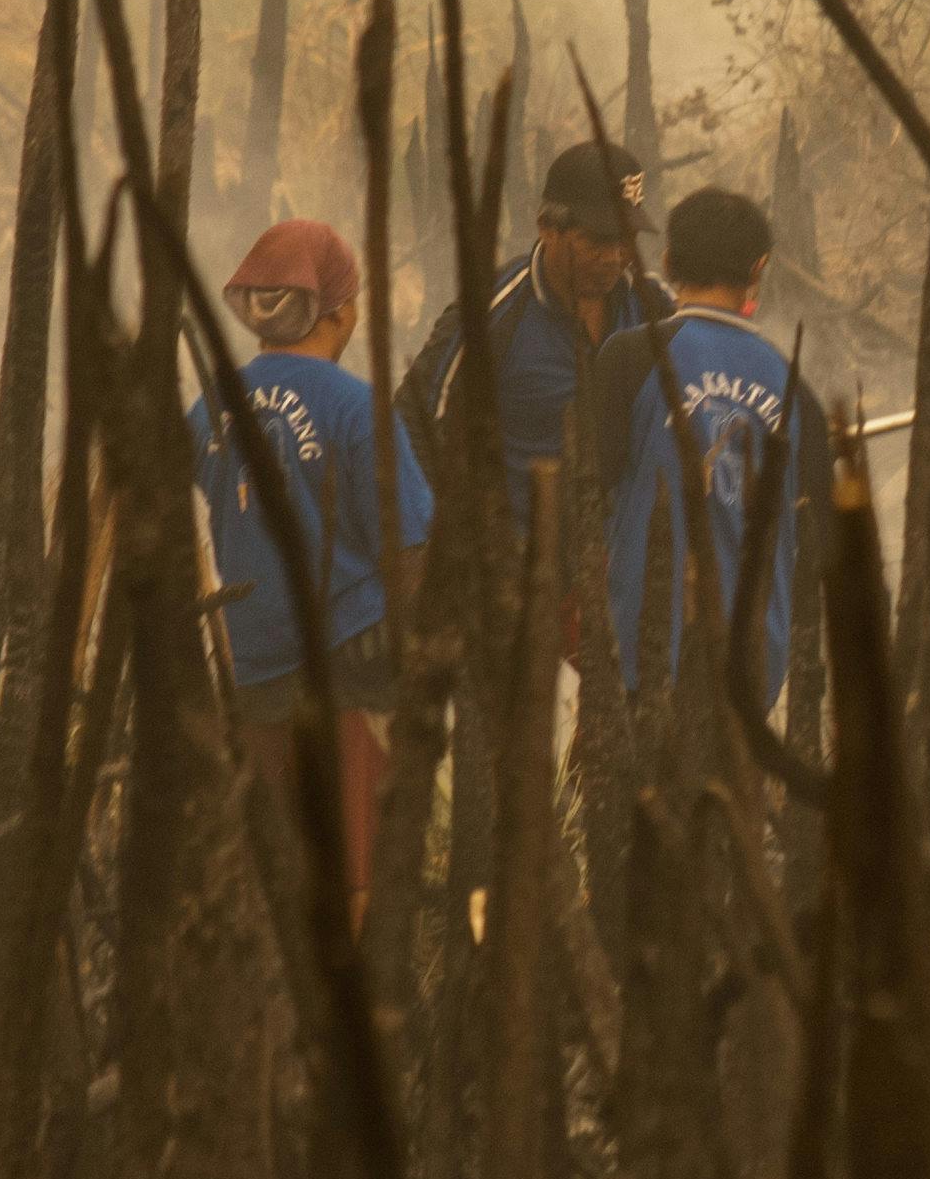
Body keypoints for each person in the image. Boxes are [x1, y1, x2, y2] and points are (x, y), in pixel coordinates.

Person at [194, 217, 429, 919]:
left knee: (271, 868)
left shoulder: (209, 408)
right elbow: (409, 546)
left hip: (248, 668)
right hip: (346, 672)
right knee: (353, 871)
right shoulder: (355, 407)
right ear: (341, 309)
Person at [584, 186, 827, 705]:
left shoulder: (629, 358)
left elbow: (585, 498)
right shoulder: (796, 389)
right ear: (758, 268)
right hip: (754, 669)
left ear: (668, 261)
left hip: (646, 662)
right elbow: (820, 536)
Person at [398, 140, 668, 573]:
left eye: (626, 241)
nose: (615, 258)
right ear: (547, 228)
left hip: (618, 573)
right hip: (511, 578)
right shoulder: (492, 313)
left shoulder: (653, 310)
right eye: (598, 241)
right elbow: (412, 421)